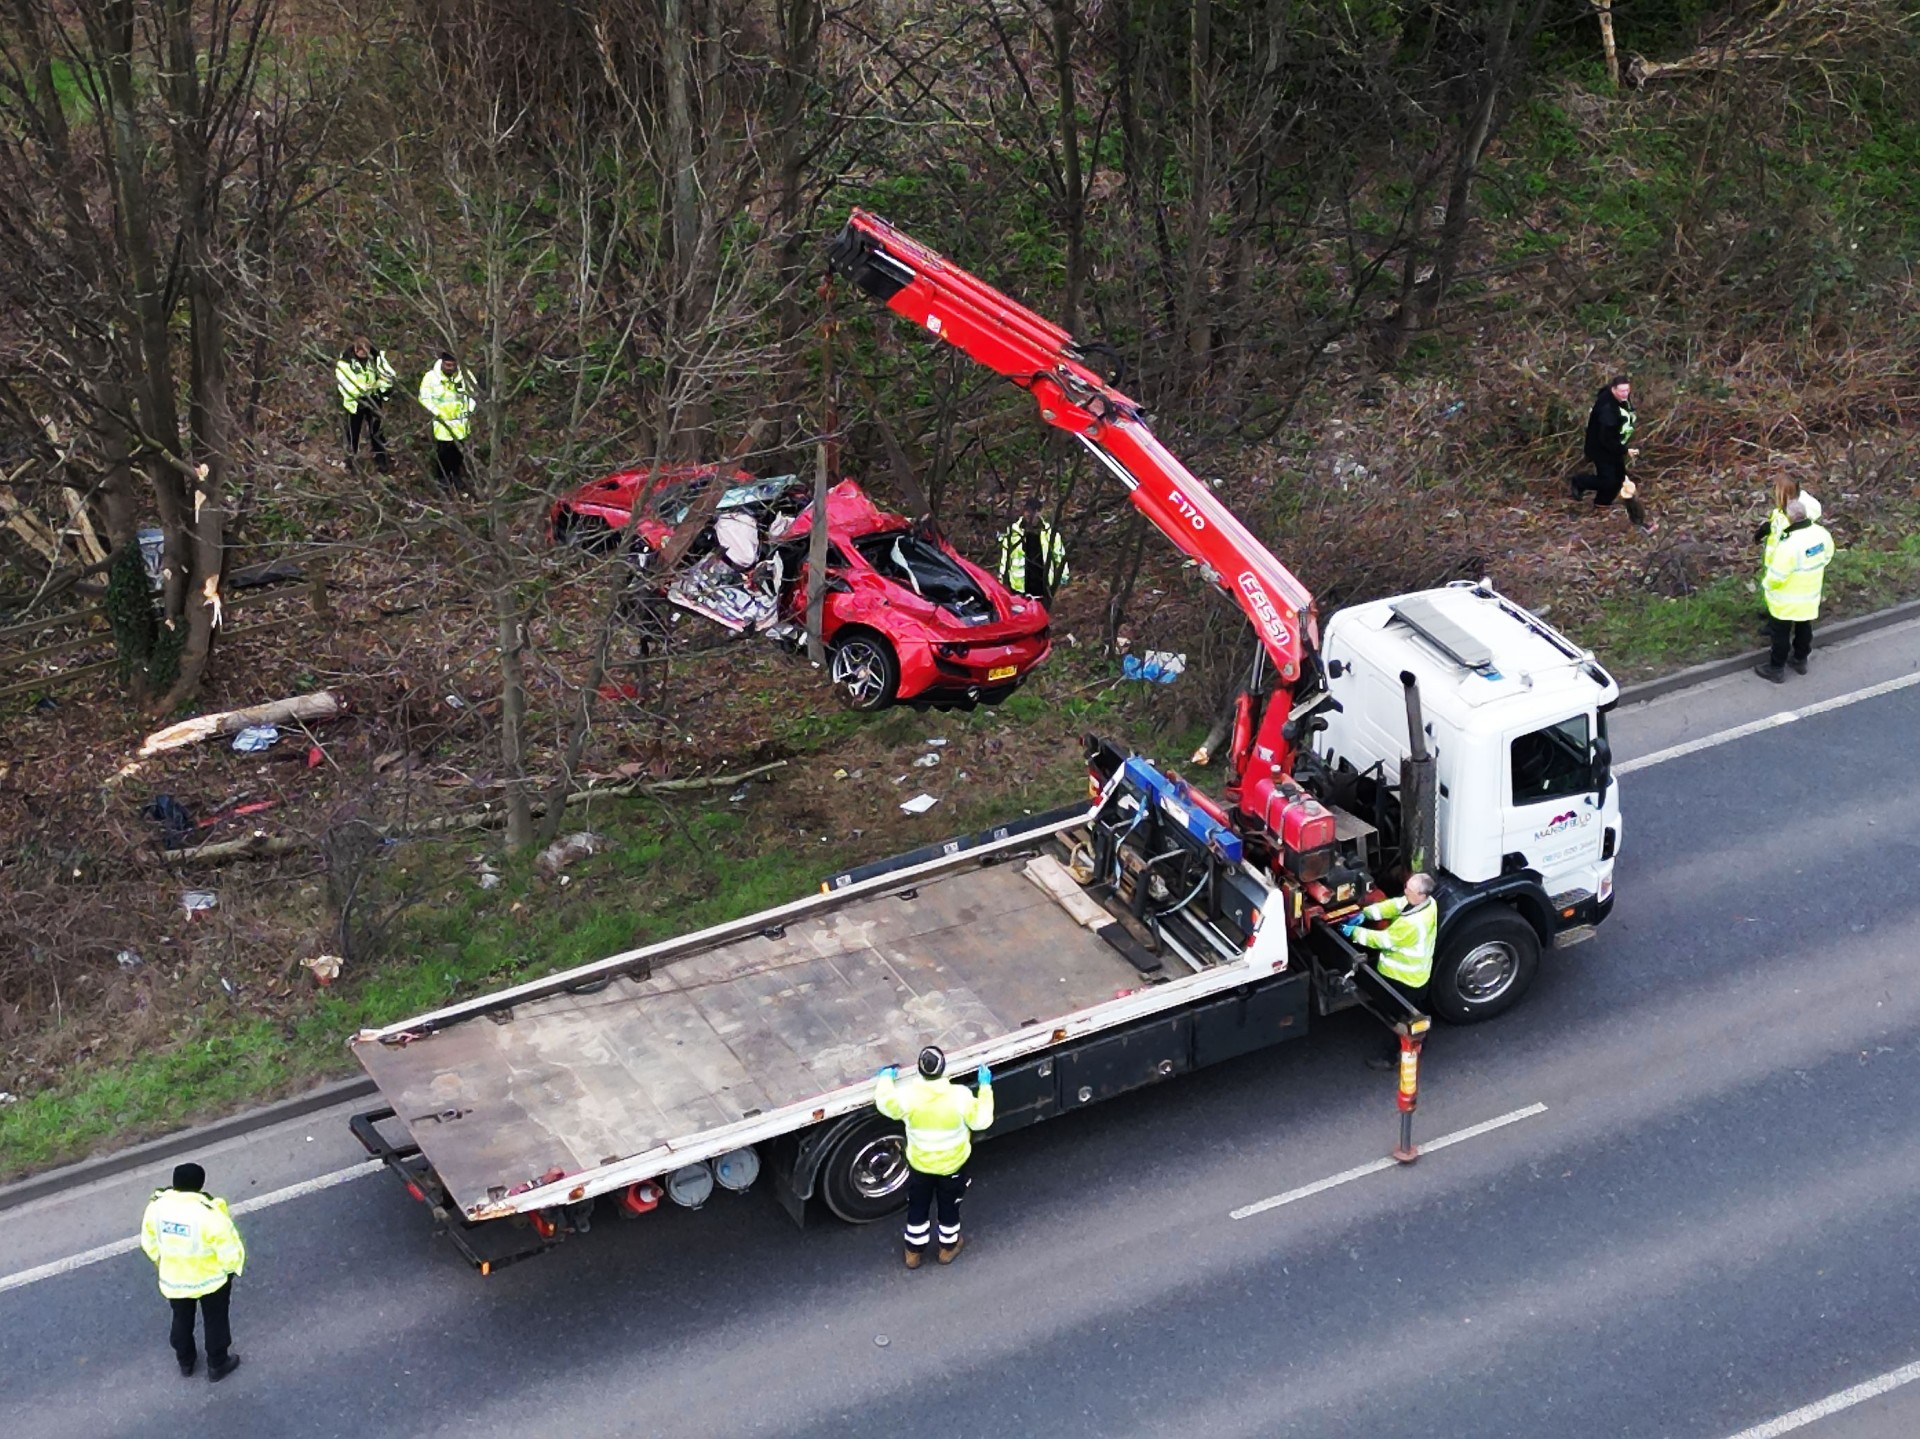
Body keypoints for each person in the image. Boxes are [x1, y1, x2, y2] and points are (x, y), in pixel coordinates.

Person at [873, 1046, 994, 1268]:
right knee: (949, 1208)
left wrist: (885, 1079)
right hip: (952, 1167)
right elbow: (982, 1121)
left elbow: (885, 1103)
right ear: (943, 1069)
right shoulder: (959, 1097)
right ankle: (947, 1249)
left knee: (918, 1206)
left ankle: (913, 1253)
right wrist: (985, 1088)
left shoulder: (908, 1098)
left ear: (920, 1070)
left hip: (921, 1166)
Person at [139, 1162, 246, 1382]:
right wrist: (231, 1271)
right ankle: (217, 1363)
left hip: (174, 1279)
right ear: (200, 1185)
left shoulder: (156, 1208)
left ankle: (185, 1361)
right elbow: (229, 1249)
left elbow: (148, 1240)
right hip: (211, 1280)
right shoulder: (209, 1214)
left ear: (174, 1183)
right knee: (215, 1320)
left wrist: (159, 1261)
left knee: (181, 1319)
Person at [1341, 873, 1437, 1070]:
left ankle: (1394, 1057)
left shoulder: (1411, 924)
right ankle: (1420, 1040)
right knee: (1415, 1012)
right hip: (1418, 975)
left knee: (1398, 1020)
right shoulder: (1427, 903)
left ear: (1421, 894)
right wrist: (1366, 914)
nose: (1405, 892)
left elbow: (1384, 941)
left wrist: (1354, 932)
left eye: (1409, 890)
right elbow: (1395, 905)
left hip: (1404, 979)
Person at [1754, 497, 1834, 683]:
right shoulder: (1821, 534)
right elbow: (1827, 555)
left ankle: (1776, 669)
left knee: (1780, 634)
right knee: (1804, 628)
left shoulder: (1789, 544)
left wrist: (1766, 586)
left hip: (1785, 600)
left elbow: (1776, 576)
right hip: (1810, 594)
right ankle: (1800, 660)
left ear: (1789, 519)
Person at [1572, 376, 1651, 528]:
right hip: (1601, 448)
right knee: (1608, 480)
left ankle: (1602, 505)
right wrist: (1625, 450)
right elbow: (1605, 438)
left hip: (1614, 446)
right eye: (1621, 391)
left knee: (1619, 480)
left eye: (1627, 390)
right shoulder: (1608, 409)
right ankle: (1580, 481)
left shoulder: (1620, 401)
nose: (1625, 394)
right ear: (1613, 389)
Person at [334, 336, 396, 472]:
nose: (362, 354)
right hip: (355, 402)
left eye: (365, 351)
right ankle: (350, 461)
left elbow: (388, 375)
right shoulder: (345, 363)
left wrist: (381, 387)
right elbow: (347, 384)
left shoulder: (376, 358)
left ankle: (381, 459)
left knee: (377, 431)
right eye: (359, 351)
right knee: (353, 432)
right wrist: (366, 388)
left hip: (373, 399)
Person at [417, 352, 475, 491]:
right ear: (442, 362)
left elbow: (473, 394)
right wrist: (435, 412)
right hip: (442, 420)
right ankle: (442, 478)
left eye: (453, 365)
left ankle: (456, 476)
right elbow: (424, 398)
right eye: (447, 365)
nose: (450, 368)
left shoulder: (465, 376)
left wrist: (469, 409)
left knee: (458, 452)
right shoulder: (431, 377)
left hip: (460, 421)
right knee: (443, 451)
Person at [996, 497, 1068, 604]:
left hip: (1043, 587)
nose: (1030, 514)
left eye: (1034, 511)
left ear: (1040, 512)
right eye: (1027, 511)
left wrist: (1063, 578)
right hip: (1019, 589)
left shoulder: (1050, 534)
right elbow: (1005, 557)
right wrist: (1002, 579)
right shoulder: (1013, 534)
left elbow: (1059, 556)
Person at [1753, 475, 1822, 555]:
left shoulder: (1783, 517)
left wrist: (1757, 537)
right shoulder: (1810, 503)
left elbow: (1771, 527)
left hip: (1789, 552)